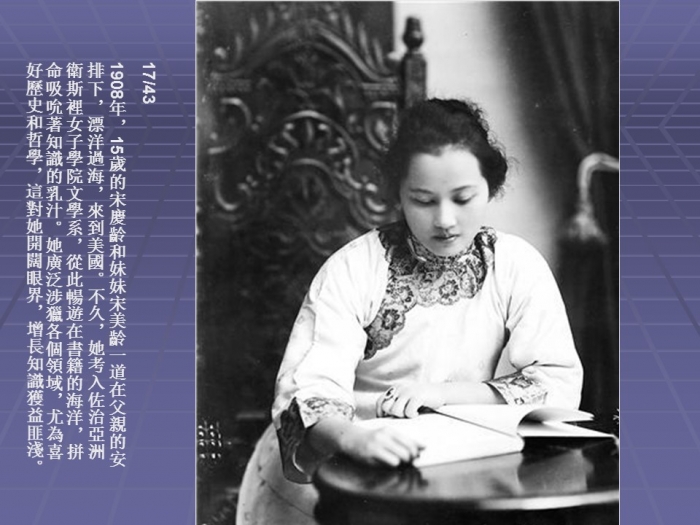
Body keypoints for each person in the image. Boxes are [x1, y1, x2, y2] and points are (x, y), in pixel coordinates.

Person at [236, 98, 583, 525]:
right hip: (342, 466)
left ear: (489, 188)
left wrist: (444, 394)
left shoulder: (516, 265)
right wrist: (355, 440)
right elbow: (306, 391)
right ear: (399, 194)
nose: (445, 220)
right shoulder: (355, 268)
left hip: (463, 465)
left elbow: (554, 381)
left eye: (463, 198)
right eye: (423, 200)